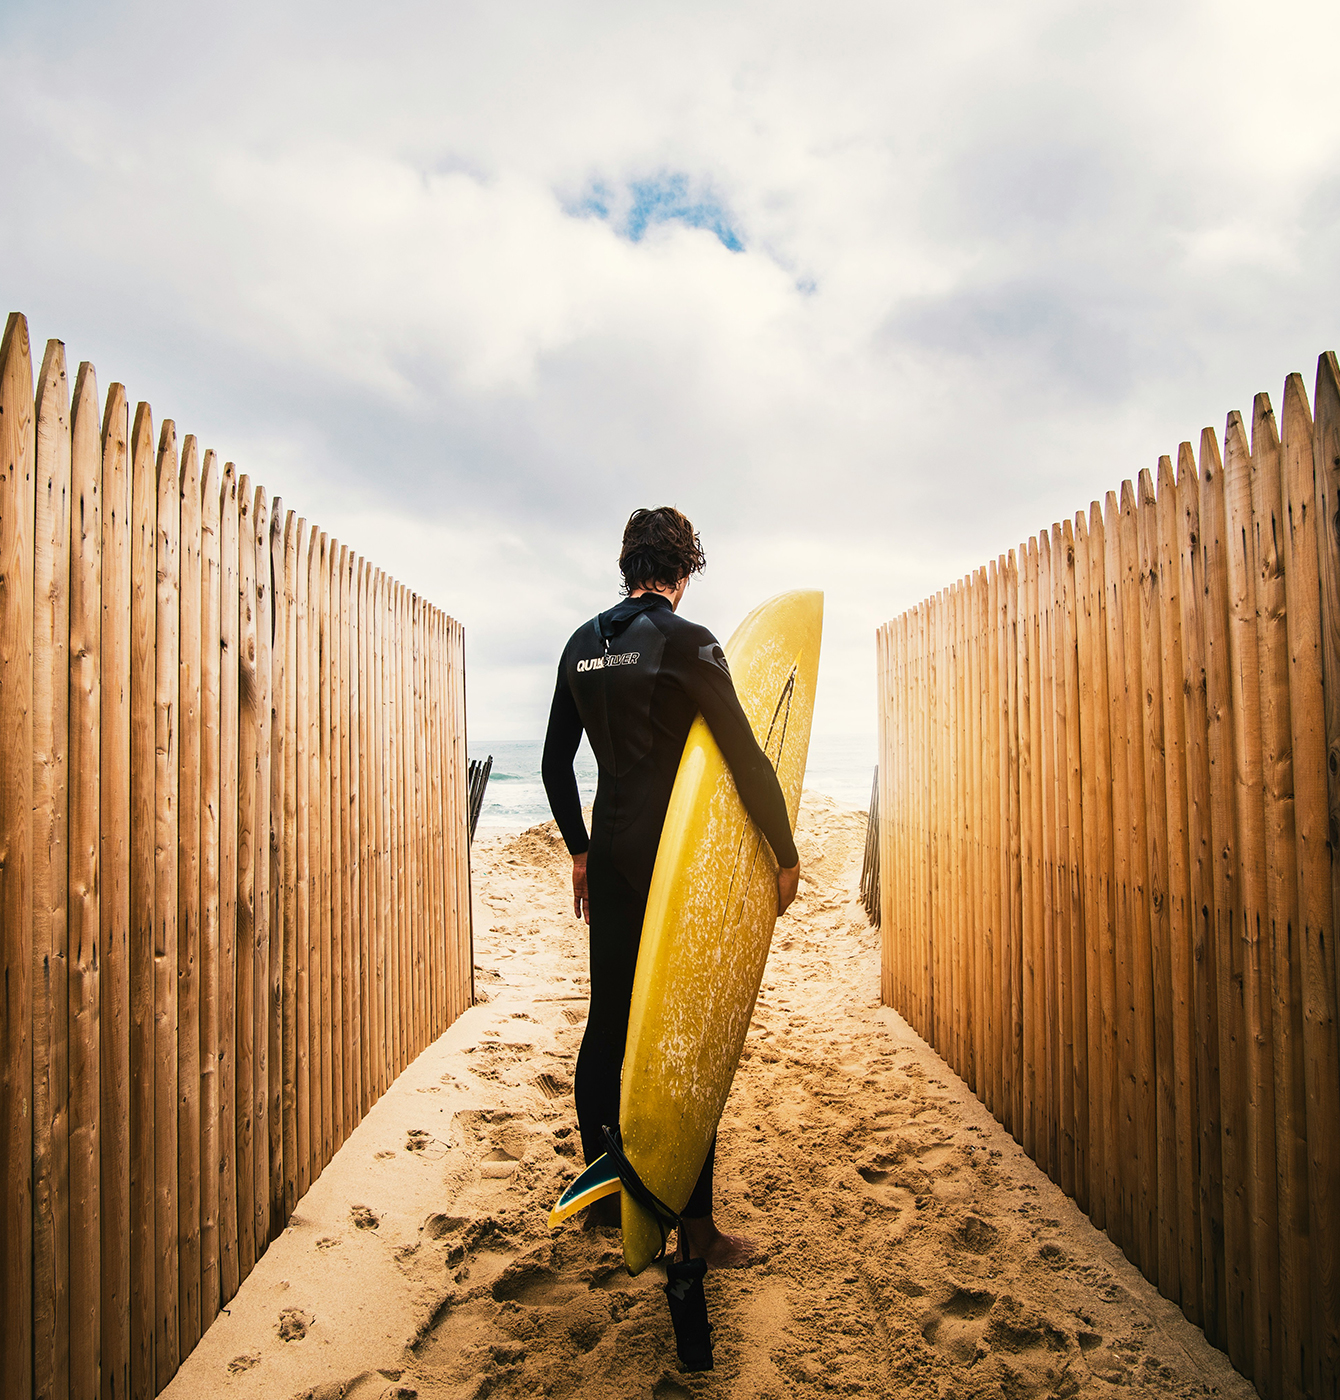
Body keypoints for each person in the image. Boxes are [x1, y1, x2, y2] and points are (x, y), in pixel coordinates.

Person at [541, 506, 801, 1269]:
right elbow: (746, 756)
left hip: (614, 852)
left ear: (629, 566)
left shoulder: (581, 644)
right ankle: (698, 1231)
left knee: (609, 1022)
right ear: (685, 571)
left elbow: (558, 766)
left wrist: (581, 851)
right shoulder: (689, 641)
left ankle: (606, 1197)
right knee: (686, 1033)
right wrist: (783, 852)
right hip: (671, 864)